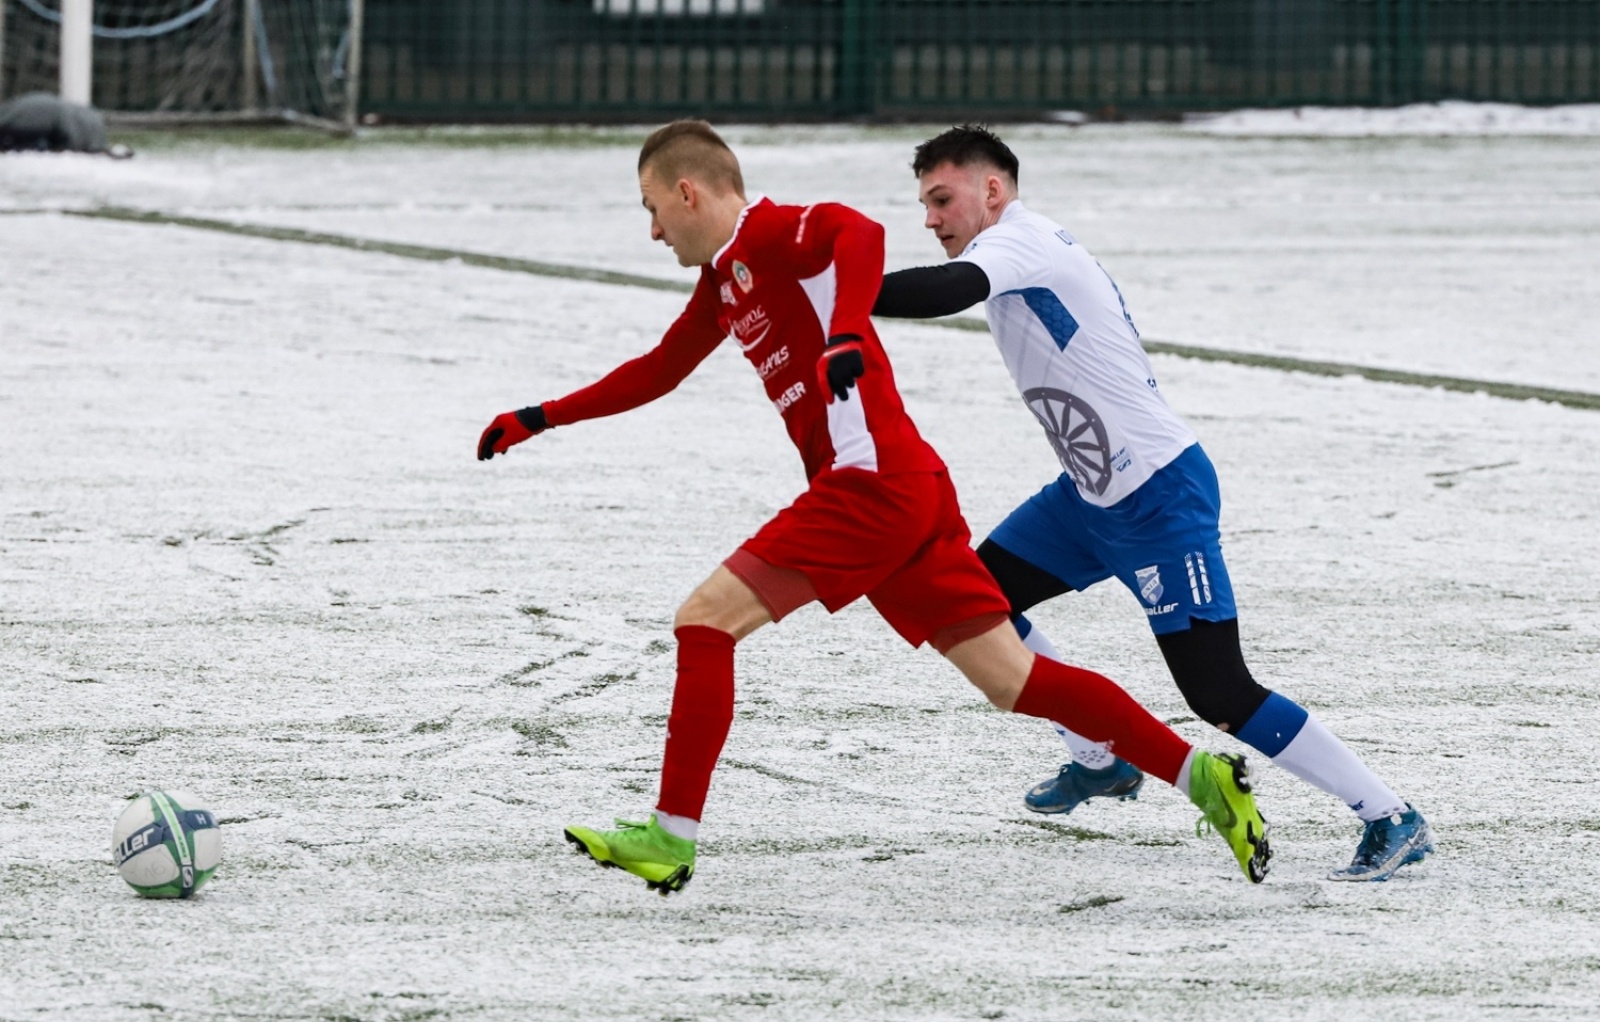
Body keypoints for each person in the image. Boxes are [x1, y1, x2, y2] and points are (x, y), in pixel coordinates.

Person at [477, 119, 1272, 896]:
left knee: (704, 620)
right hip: (907, 488)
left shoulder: (775, 233)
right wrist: (542, 416)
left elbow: (858, 231)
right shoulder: (724, 281)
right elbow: (659, 369)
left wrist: (846, 331)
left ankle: (670, 834)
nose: (653, 230)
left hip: (868, 487)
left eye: (652, 208)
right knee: (1013, 679)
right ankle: (1201, 775)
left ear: (688, 192)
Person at [871, 124, 1433, 883]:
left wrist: (837, 290)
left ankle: (1390, 815)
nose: (930, 218)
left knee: (1219, 692)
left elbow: (945, 292)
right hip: (1088, 498)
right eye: (925, 204)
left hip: (1160, 495)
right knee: (976, 602)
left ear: (992, 190)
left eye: (941, 199)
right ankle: (1101, 759)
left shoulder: (1019, 242)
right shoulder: (1010, 251)